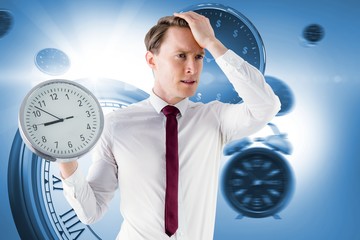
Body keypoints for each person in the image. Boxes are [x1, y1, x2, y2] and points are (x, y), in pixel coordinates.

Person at [59, 11, 281, 240]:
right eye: (181, 56)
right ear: (151, 60)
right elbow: (91, 212)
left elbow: (266, 106)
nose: (192, 68)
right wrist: (65, 159)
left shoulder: (214, 119)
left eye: (199, 57)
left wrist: (212, 43)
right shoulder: (117, 125)